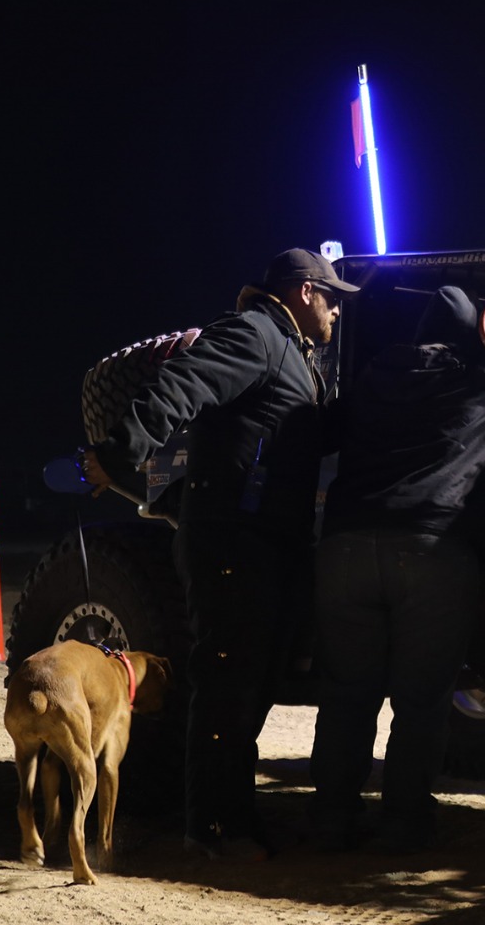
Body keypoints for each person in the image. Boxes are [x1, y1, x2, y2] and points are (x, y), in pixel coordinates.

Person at [83, 247, 355, 860]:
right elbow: (182, 383)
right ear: (304, 292)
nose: (339, 309)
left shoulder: (300, 356)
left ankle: (236, 819)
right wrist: (123, 451)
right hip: (232, 539)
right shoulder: (256, 335)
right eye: (332, 296)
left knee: (254, 684)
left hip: (270, 540)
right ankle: (209, 829)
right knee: (228, 681)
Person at [308, 286, 485, 853]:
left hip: (345, 548)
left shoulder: (371, 378)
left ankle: (330, 820)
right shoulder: (484, 384)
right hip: (430, 551)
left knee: (348, 697)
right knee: (421, 702)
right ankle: (403, 827)